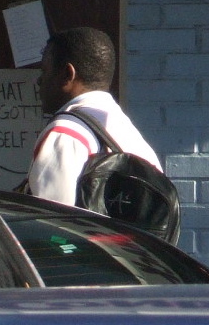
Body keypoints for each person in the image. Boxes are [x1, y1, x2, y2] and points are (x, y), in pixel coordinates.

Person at [26, 27, 162, 208]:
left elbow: (51, 220)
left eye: (44, 71)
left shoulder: (65, 134)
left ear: (67, 74)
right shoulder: (128, 133)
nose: (39, 81)